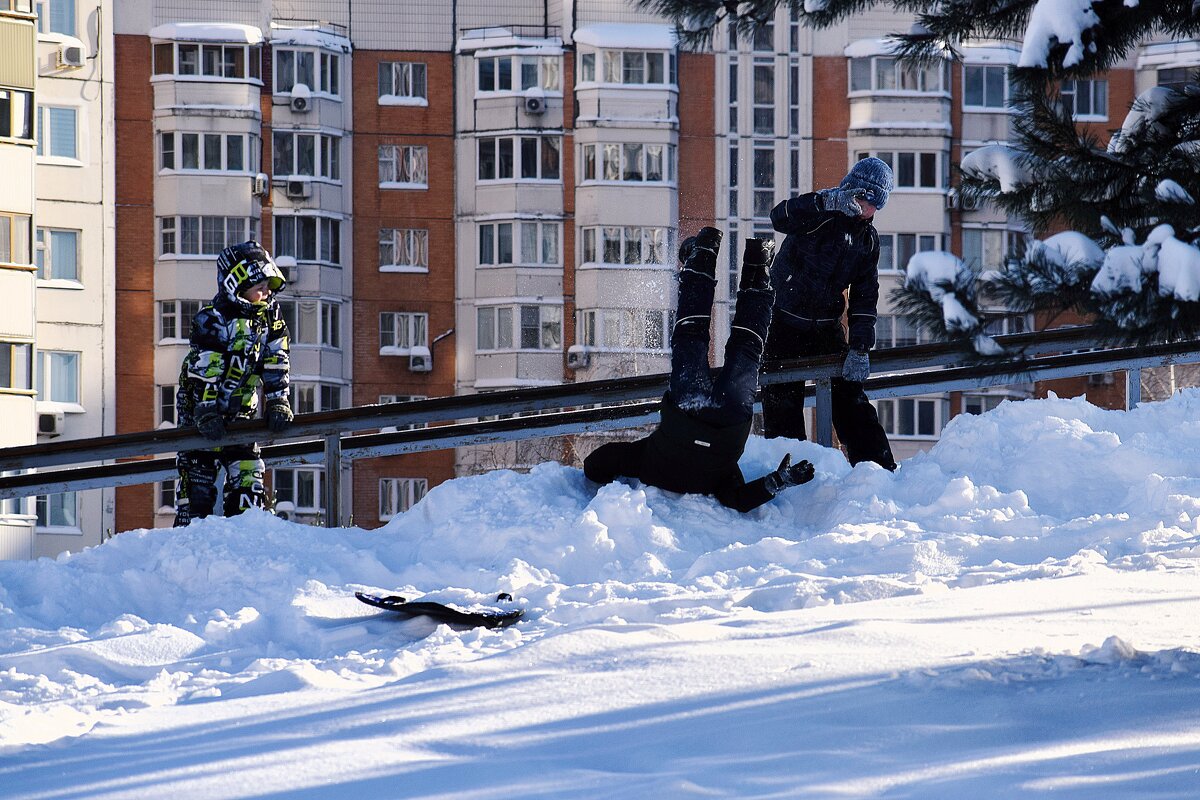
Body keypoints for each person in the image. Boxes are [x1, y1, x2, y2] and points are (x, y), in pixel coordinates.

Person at [584, 227, 815, 513]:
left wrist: (780, 480)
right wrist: (609, 479)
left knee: (746, 346)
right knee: (690, 334)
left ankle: (759, 265)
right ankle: (703, 253)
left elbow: (739, 499)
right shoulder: (644, 462)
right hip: (686, 409)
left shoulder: (717, 480)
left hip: (728, 424)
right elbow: (595, 464)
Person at [761, 157, 898, 471]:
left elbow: (865, 296)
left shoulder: (867, 241)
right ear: (850, 190)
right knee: (782, 408)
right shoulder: (818, 214)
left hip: (826, 328)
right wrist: (824, 202)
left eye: (875, 204)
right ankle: (790, 477)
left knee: (851, 401)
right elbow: (779, 217)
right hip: (782, 323)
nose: (866, 209)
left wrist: (860, 348)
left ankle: (878, 473)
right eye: (863, 198)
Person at [173, 240, 293, 526]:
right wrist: (205, 409)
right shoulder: (212, 319)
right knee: (198, 486)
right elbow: (206, 367)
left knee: (249, 479)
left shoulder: (271, 318)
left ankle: (246, 534)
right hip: (199, 414)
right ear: (237, 286)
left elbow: (276, 358)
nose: (265, 293)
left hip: (241, 416)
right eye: (258, 287)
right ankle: (188, 538)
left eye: (267, 285)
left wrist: (277, 400)